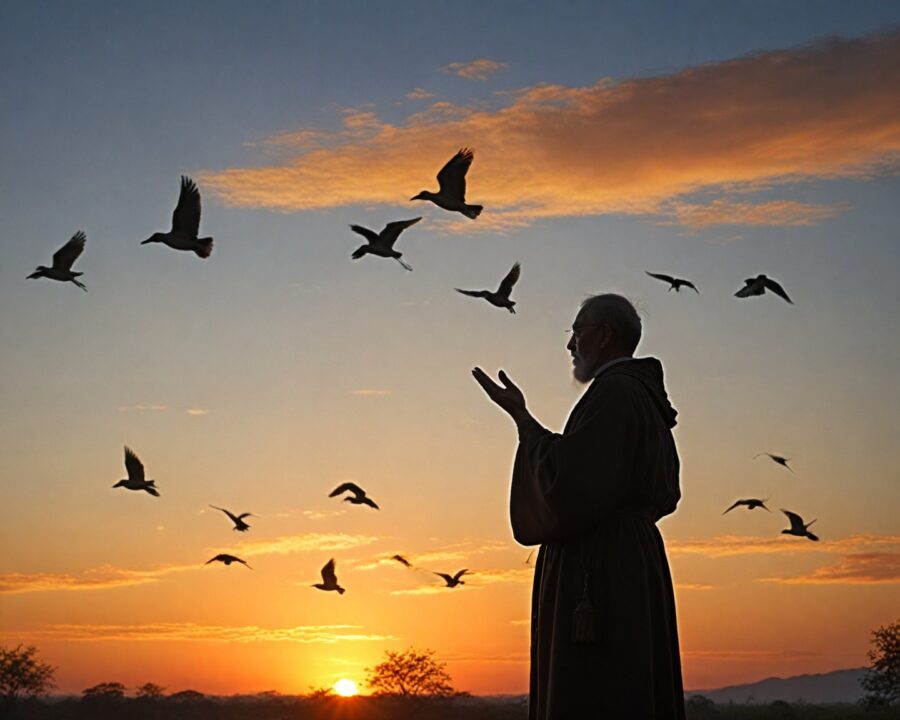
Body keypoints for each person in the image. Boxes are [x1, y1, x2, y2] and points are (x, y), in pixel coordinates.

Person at [472, 293, 685, 719]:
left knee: (599, 689)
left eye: (577, 332)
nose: (571, 345)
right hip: (629, 565)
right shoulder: (637, 397)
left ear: (603, 336)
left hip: (605, 572)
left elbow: (568, 484)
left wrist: (523, 422)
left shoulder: (617, 394)